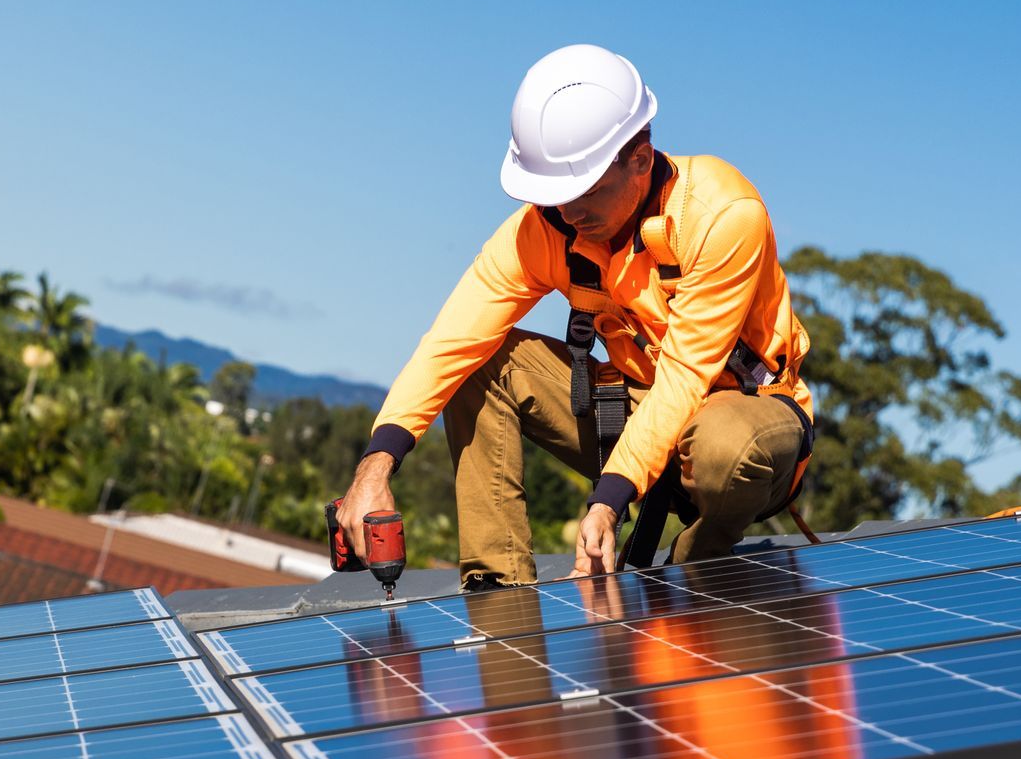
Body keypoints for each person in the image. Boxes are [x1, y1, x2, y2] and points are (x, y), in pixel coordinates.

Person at [335, 44, 815, 588]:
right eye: (552, 197)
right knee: (485, 363)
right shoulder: (545, 230)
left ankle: (690, 580)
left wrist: (608, 502)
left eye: (581, 192)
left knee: (725, 446)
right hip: (635, 408)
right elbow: (450, 343)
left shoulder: (722, 215)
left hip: (744, 421)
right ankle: (497, 591)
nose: (566, 212)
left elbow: (684, 382)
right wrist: (375, 467)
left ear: (639, 158)